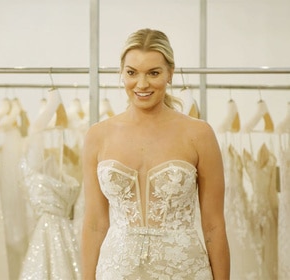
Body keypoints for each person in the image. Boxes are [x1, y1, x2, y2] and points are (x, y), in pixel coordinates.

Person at [81, 28, 230, 279]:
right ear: (122, 73)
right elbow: (95, 224)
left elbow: (214, 225)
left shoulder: (199, 134)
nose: (141, 84)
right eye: (132, 73)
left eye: (153, 73)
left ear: (170, 73)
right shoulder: (98, 136)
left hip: (184, 271)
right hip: (116, 271)